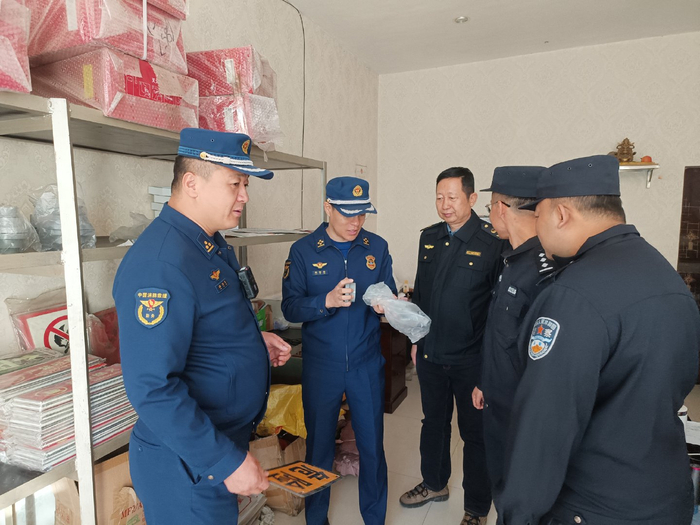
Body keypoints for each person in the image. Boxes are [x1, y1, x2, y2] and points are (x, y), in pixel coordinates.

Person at [496, 155, 700, 525]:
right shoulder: (666, 276)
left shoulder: (573, 295)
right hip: (665, 493)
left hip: (593, 505)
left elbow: (545, 427)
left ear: (561, 214)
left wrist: (517, 515)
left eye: (538, 216)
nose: (537, 230)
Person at [113, 129, 292, 524]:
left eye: (246, 185)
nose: (244, 196)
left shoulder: (207, 244)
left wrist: (252, 342)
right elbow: (152, 388)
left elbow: (205, 324)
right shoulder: (161, 263)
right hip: (186, 465)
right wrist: (224, 460)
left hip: (209, 450)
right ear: (192, 183)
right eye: (234, 184)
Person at [282, 176, 396, 525]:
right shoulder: (303, 251)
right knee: (319, 448)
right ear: (327, 208)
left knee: (372, 447)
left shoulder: (376, 247)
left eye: (362, 214)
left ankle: (374, 518)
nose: (355, 223)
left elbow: (388, 291)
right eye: (347, 214)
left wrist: (388, 305)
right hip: (322, 368)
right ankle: (316, 520)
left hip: (365, 364)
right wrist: (326, 301)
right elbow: (290, 308)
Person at [400, 167, 507, 525]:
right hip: (431, 353)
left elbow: (498, 309)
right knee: (433, 423)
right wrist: (416, 340)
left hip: (471, 359)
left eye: (452, 197)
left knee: (475, 435)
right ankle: (434, 484)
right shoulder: (429, 237)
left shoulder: (493, 242)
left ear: (472, 199)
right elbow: (422, 295)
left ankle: (476, 508)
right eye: (439, 197)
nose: (445, 205)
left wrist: (490, 366)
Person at [471, 166, 554, 493]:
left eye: (489, 206)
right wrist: (484, 382)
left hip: (521, 412)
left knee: (515, 489)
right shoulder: (512, 260)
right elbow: (500, 332)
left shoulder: (543, 271)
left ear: (500, 209)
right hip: (497, 398)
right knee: (500, 481)